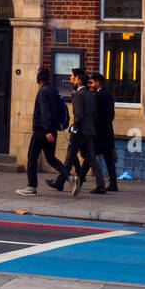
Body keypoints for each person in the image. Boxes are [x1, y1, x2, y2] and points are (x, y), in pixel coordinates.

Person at [49, 67, 105, 196]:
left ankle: (60, 182)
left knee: (70, 157)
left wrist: (74, 127)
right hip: (90, 130)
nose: (71, 79)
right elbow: (94, 114)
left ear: (79, 80)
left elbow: (78, 115)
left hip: (79, 131)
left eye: (73, 77)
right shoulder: (91, 94)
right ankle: (100, 184)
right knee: (92, 158)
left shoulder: (78, 95)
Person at [16, 67, 71, 196]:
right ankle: (69, 177)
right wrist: (52, 130)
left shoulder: (42, 92)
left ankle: (31, 186)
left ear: (38, 78)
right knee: (51, 158)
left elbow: (45, 112)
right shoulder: (54, 90)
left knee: (32, 157)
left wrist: (47, 131)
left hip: (42, 131)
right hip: (52, 130)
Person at [77, 71, 118, 192]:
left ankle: (80, 179)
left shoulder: (98, 97)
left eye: (93, 82)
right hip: (108, 131)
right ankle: (113, 183)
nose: (91, 85)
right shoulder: (109, 95)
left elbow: (95, 115)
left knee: (90, 157)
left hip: (99, 133)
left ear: (98, 82)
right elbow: (111, 115)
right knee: (109, 159)